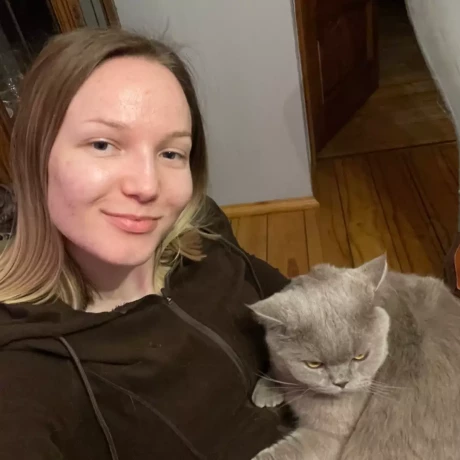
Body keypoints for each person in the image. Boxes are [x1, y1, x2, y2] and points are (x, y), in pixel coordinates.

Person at [0, 28, 293, 459]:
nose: (148, 186)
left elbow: (299, 305)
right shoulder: (22, 367)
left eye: (171, 153)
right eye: (103, 144)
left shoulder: (200, 231)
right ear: (35, 156)